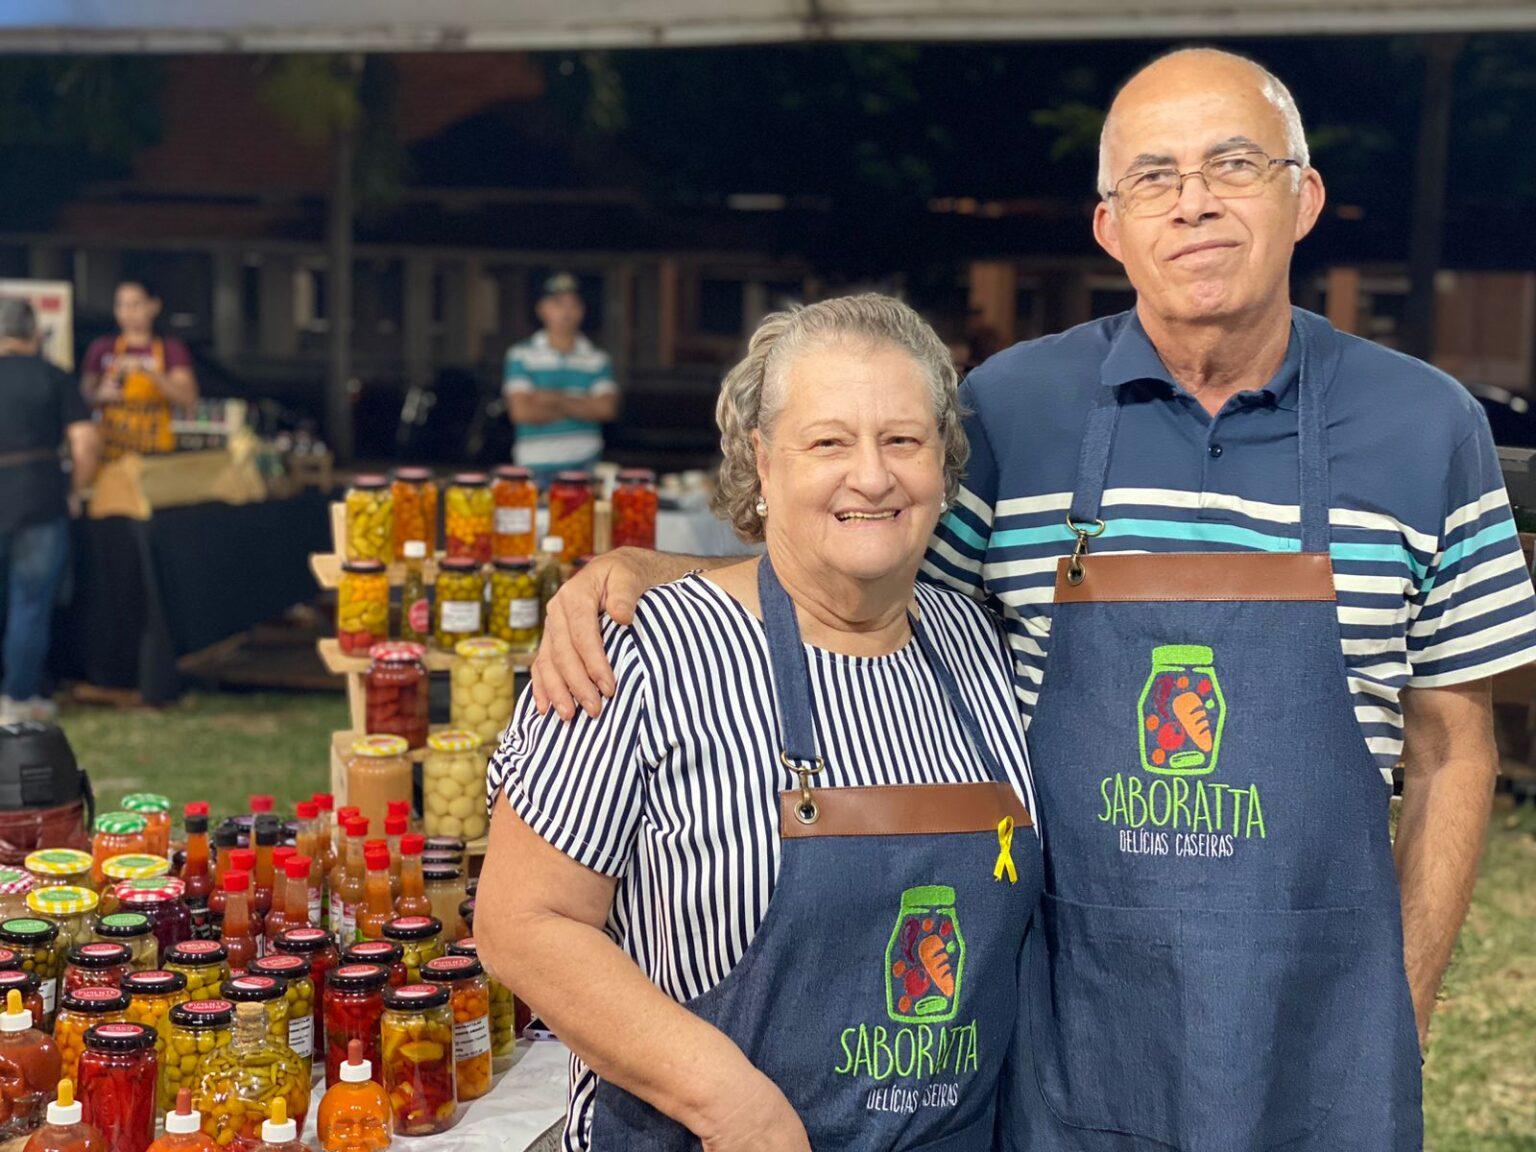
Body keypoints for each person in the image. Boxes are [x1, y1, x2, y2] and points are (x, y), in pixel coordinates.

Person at [526, 49, 1536, 1151]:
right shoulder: (1012, 411)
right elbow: (861, 569)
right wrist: (657, 574)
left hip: (1321, 1043)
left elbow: (1454, 746)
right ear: (1109, 226)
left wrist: (1399, 1011)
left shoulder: (1428, 427)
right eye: (1153, 177)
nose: (1193, 202)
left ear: (1305, 197)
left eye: (1234, 164)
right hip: (1068, 1047)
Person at [476, 295, 1043, 1152]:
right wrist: (727, 1103)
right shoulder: (643, 651)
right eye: (829, 443)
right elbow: (524, 922)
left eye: (903, 440)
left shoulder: (979, 645)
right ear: (762, 461)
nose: (873, 476)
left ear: (944, 463)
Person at [0, 299, 100, 723]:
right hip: (38, 497)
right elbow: (86, 444)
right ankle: (17, 700)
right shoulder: (53, 376)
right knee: (30, 603)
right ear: (34, 332)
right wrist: (75, 490)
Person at [503, 272, 620, 483]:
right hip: (535, 465)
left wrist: (550, 398)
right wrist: (581, 403)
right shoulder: (521, 355)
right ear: (542, 309)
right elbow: (521, 412)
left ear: (582, 310)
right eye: (558, 304)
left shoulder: (598, 358)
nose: (566, 312)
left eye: (573, 305)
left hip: (585, 461)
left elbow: (605, 410)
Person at [81, 280, 198, 460]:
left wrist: (148, 372)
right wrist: (100, 395)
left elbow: (188, 399)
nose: (128, 312)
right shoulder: (102, 348)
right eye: (121, 305)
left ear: (154, 306)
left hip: (156, 453)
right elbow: (82, 399)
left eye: (135, 304)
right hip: (112, 454)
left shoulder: (171, 349)